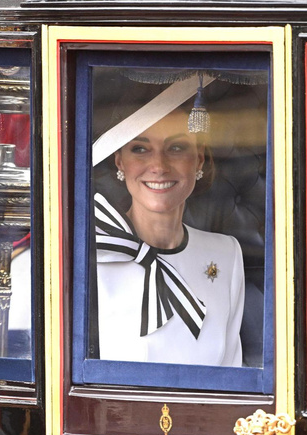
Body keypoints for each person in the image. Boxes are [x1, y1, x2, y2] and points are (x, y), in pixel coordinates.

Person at [94, 104, 245, 366]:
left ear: (199, 159)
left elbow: (231, 371)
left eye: (176, 148)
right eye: (140, 149)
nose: (158, 166)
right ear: (120, 161)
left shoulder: (227, 253)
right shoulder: (92, 251)